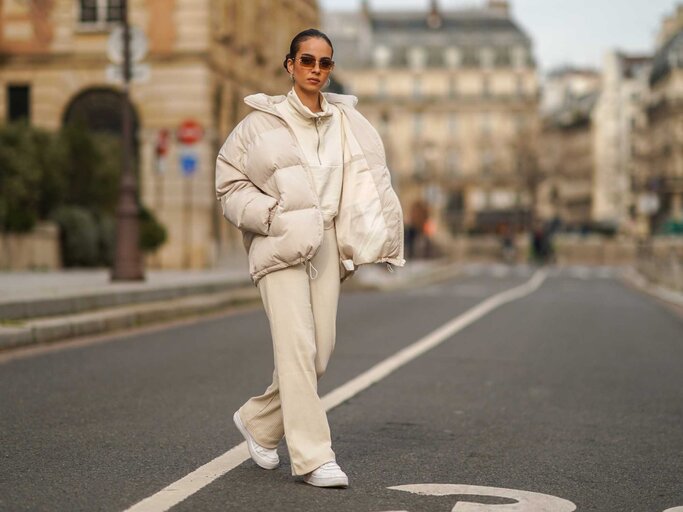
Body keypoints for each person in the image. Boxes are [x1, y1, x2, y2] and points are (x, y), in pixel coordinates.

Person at [214, 29, 405, 488]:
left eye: (324, 63)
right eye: (306, 60)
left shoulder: (349, 122)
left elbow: (369, 182)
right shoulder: (260, 123)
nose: (315, 69)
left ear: (330, 69)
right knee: (297, 348)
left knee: (319, 353)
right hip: (279, 241)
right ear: (289, 65)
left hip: (325, 243)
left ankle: (259, 422)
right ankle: (315, 457)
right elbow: (228, 185)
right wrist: (271, 214)